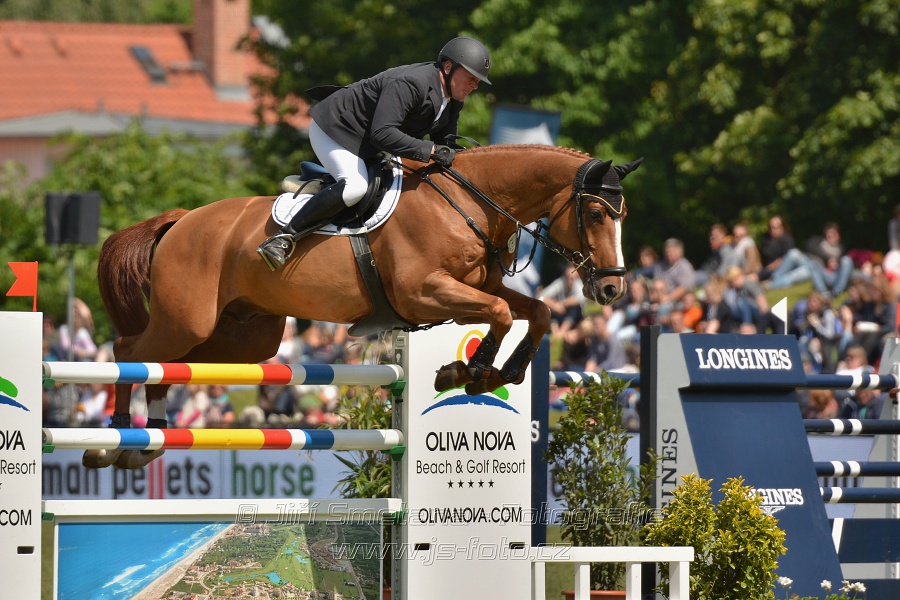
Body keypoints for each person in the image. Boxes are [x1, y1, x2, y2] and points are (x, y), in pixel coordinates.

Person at [258, 37, 492, 270]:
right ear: (448, 67)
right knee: (355, 186)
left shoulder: (453, 98)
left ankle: (323, 189)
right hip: (336, 129)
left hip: (368, 142)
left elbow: (444, 143)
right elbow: (382, 133)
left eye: (478, 81)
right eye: (471, 77)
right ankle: (284, 238)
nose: (475, 85)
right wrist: (430, 150)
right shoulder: (412, 83)